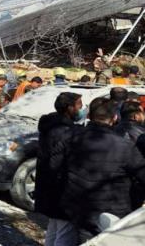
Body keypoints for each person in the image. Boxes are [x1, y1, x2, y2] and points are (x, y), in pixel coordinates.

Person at [61, 100, 145, 242]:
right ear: (114, 118)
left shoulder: (72, 137)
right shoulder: (124, 146)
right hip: (113, 212)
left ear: (89, 115)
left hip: (80, 206)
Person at [34, 92, 84, 246]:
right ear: (69, 108)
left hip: (48, 184)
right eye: (79, 105)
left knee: (54, 227)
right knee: (65, 230)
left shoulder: (51, 124)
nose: (82, 109)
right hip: (61, 187)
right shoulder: (65, 131)